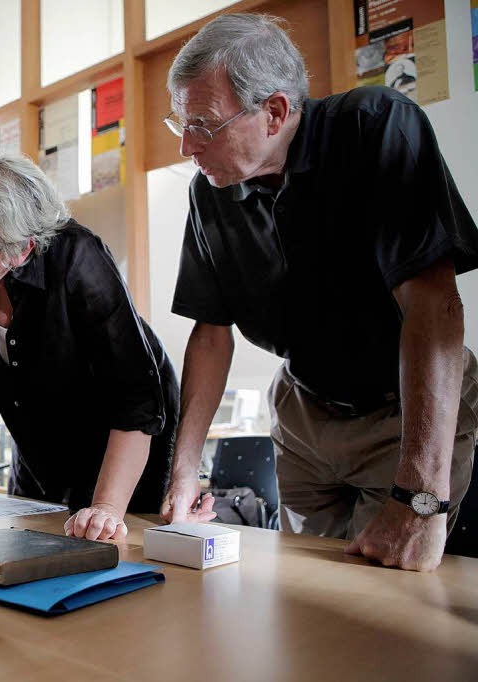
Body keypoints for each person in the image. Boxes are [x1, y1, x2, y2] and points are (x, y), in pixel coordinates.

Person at [158, 14, 478, 571]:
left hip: (404, 414)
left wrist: (419, 500)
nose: (187, 145)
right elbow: (210, 336)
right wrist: (184, 471)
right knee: (309, 594)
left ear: (276, 112)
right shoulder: (209, 193)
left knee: (393, 605)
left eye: (204, 125)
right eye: (180, 124)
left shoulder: (375, 127)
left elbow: (434, 303)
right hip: (304, 415)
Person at [0, 151, 179, 542]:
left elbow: (135, 397)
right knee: (31, 538)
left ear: (20, 250)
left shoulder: (78, 259)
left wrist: (106, 508)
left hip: (122, 439)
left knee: (110, 543)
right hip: (35, 436)